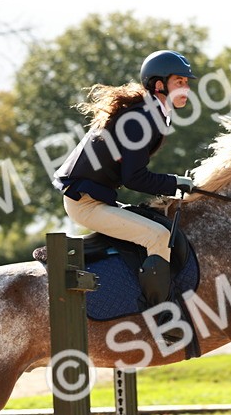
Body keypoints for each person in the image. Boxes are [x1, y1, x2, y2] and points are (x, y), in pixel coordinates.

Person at [53, 50, 197, 309]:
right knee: (158, 237)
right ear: (159, 85)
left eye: (186, 82)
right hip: (85, 203)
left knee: (156, 223)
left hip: (96, 198)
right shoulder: (142, 119)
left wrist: (173, 183)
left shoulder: (150, 113)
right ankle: (162, 312)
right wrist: (174, 183)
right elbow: (135, 178)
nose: (186, 88)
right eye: (179, 82)